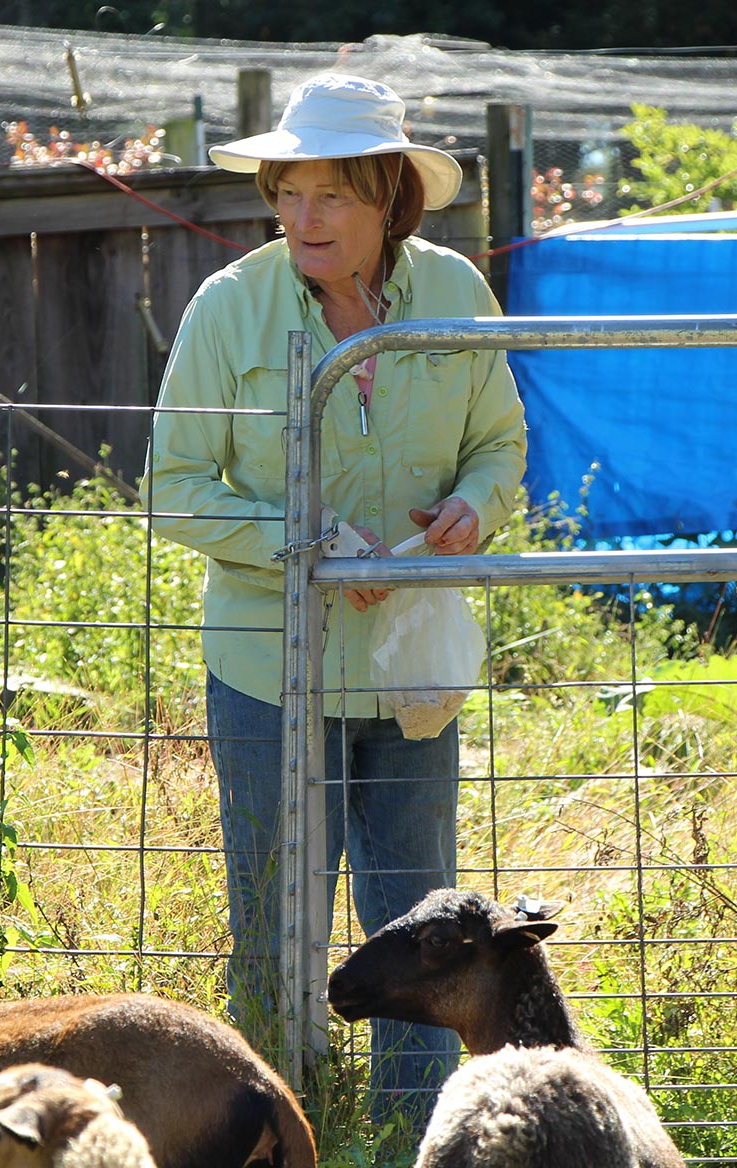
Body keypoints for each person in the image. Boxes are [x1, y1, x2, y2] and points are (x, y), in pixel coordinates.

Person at [142, 72, 527, 1130]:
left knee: (423, 923)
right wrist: (306, 547)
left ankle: (416, 1134)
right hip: (271, 664)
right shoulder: (229, 310)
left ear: (389, 198)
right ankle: (270, 1132)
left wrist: (471, 508)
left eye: (331, 197)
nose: (302, 219)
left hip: (412, 665)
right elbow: (170, 490)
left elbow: (501, 440)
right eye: (287, 194)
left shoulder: (456, 294)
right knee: (273, 916)